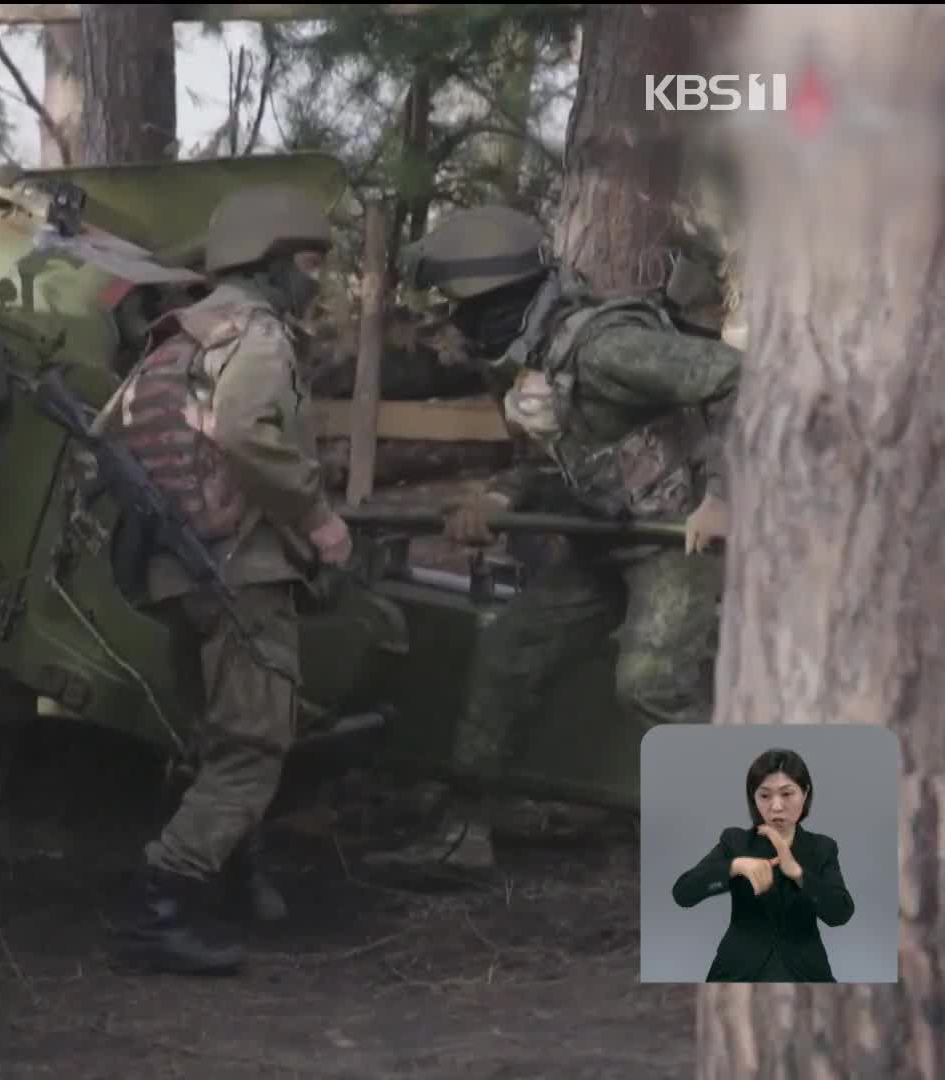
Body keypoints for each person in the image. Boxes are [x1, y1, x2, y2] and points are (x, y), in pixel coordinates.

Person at [366, 205, 741, 873]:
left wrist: (721, 495)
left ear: (501, 300)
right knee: (507, 653)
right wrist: (497, 499)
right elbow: (564, 458)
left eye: (464, 308)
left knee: (652, 683)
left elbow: (741, 382)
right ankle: (464, 831)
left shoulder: (607, 347)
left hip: (675, 540)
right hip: (606, 541)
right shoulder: (535, 361)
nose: (457, 325)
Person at [93, 184, 354, 976]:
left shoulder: (174, 339)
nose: (316, 278)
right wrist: (316, 518)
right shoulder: (258, 334)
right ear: (273, 264)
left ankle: (239, 878)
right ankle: (160, 905)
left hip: (182, 571)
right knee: (252, 748)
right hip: (243, 571)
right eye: (309, 261)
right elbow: (244, 429)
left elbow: (107, 443)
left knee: (215, 741)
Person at [671, 748, 855, 982]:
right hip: (738, 970)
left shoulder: (822, 848)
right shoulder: (735, 842)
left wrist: (799, 874)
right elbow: (683, 894)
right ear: (753, 798)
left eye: (787, 794)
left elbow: (840, 914)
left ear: (805, 793)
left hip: (804, 971)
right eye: (765, 795)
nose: (776, 806)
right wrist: (735, 866)